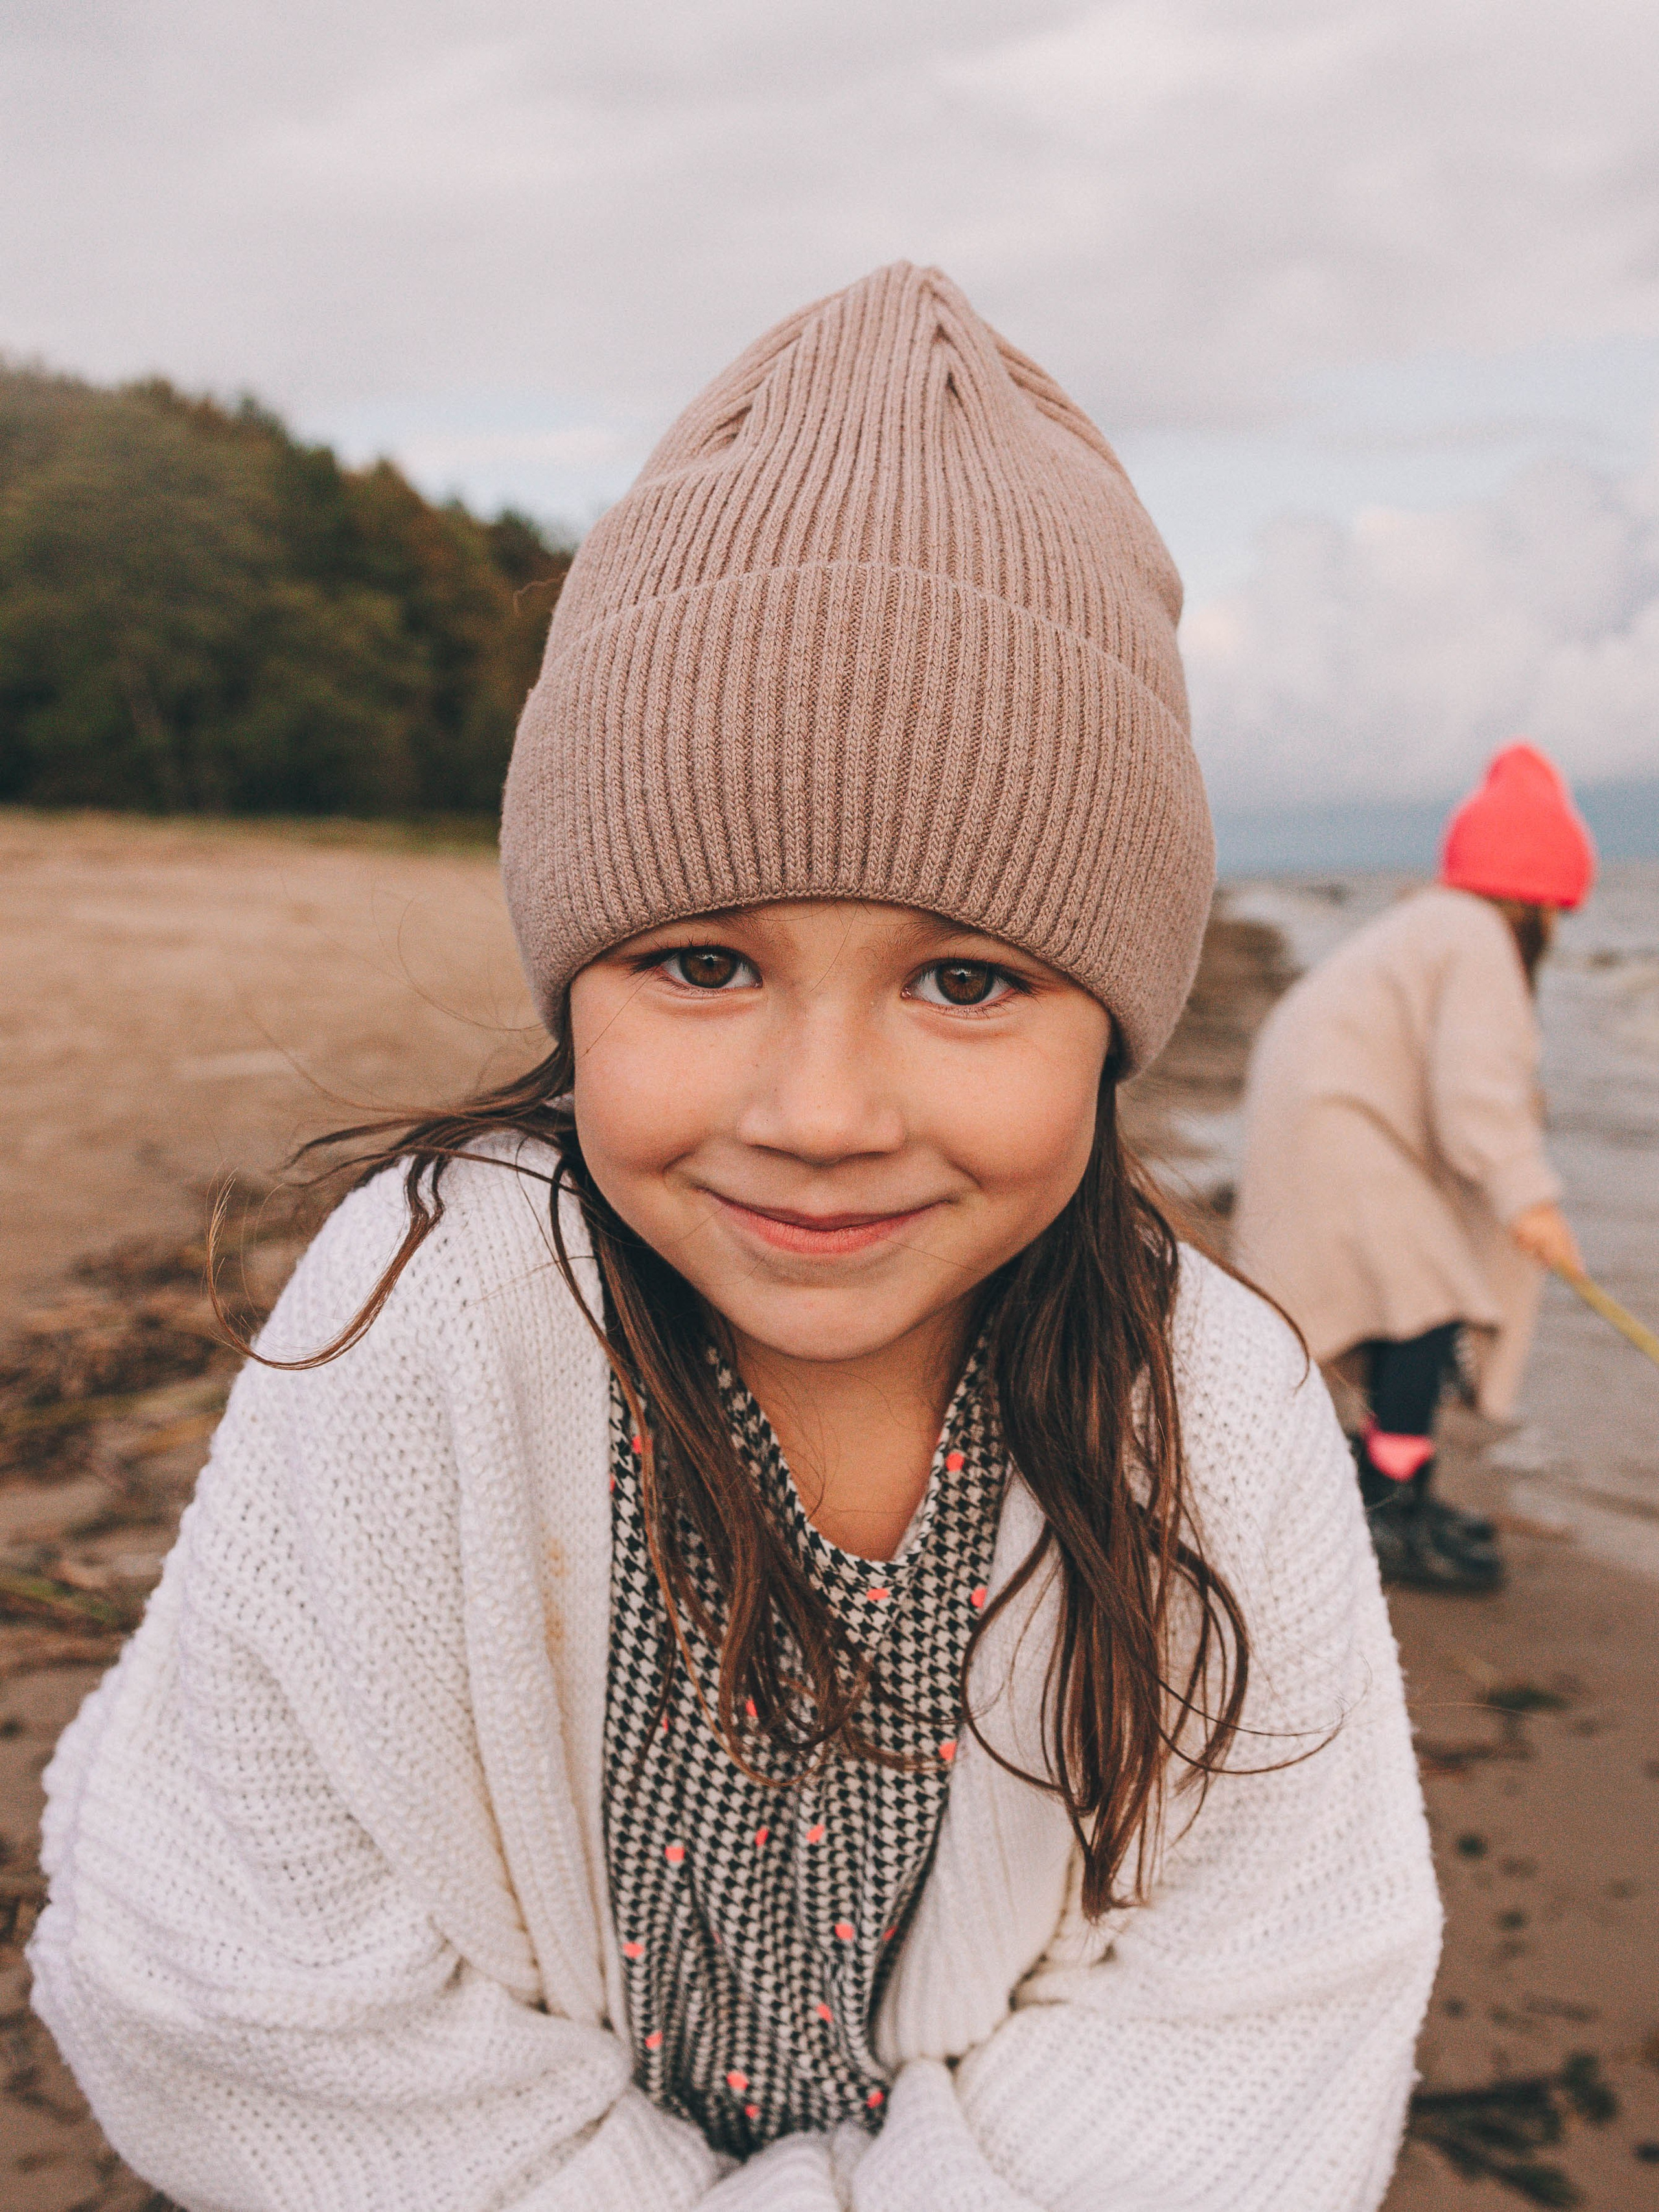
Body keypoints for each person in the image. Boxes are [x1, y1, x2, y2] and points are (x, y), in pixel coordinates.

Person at [30, 264, 1439, 2211]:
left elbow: (1271, 1977)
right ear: (570, 978)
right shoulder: (427, 1314)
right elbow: (229, 1940)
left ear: (1116, 1024)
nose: (822, 1109)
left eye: (965, 978)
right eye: (703, 960)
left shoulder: (1213, 1401)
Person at [1233, 744, 1595, 1594]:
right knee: (1421, 1309)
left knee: (1412, 1316)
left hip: (1328, 1118)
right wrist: (1528, 1196)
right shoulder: (1474, 936)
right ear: (1538, 896)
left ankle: (1390, 1494)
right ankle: (1392, 1509)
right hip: (1340, 1128)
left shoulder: (1437, 922)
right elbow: (1474, 1088)